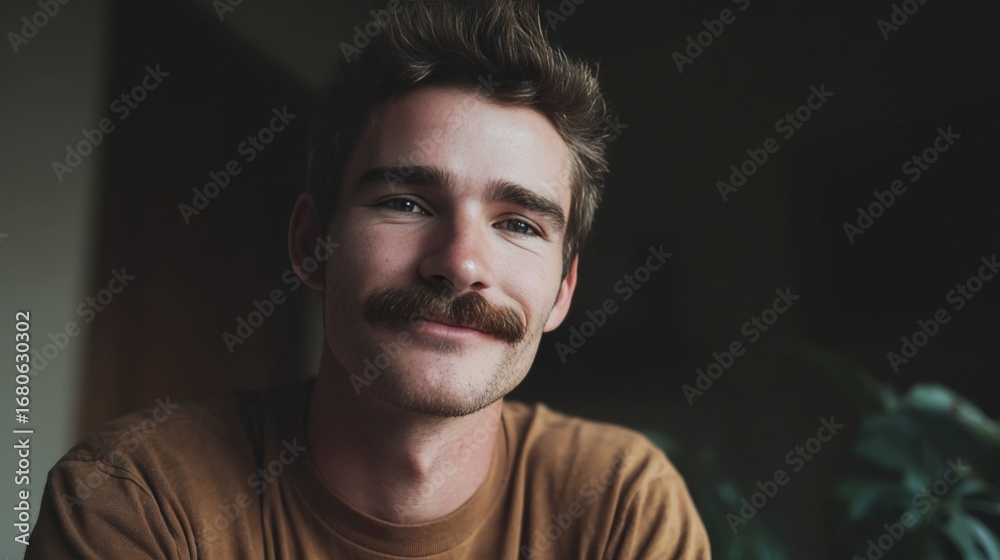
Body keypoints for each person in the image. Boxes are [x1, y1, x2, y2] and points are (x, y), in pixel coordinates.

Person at [26, 0, 710, 557]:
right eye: (406, 203)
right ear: (310, 244)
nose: (461, 263)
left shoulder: (620, 503)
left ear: (562, 291)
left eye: (520, 224)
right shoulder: (139, 498)